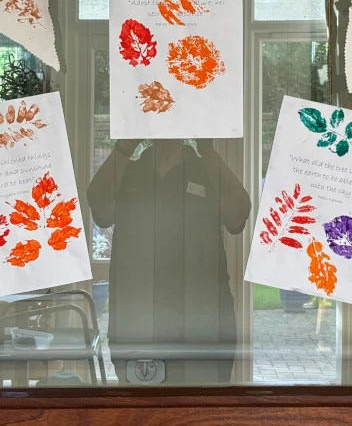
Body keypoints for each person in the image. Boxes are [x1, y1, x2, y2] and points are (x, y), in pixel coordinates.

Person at [88, 138, 251, 385]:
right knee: (140, 410)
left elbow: (238, 215)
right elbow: (100, 210)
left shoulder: (207, 169)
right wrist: (124, 147)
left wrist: (206, 148)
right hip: (137, 318)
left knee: (204, 411)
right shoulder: (129, 171)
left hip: (204, 320)